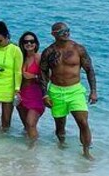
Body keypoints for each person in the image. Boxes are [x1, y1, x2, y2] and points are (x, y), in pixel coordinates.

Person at [40, 22, 97, 159]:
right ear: (53, 34)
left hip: (75, 91)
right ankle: (61, 146)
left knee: (83, 122)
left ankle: (86, 152)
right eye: (61, 31)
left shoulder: (78, 49)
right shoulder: (49, 52)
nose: (65, 33)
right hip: (56, 91)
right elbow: (42, 73)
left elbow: (89, 70)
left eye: (67, 30)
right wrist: (45, 95)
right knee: (60, 125)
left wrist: (93, 91)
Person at [0, 21, 23, 132]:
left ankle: (4, 146)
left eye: (0, 40)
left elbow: (18, 72)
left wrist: (17, 90)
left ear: (7, 37)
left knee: (6, 120)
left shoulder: (15, 50)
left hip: (8, 86)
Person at [17, 32, 45, 144]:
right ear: (22, 44)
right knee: (26, 126)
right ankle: (26, 153)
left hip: (36, 95)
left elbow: (49, 76)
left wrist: (34, 76)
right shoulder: (20, 57)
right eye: (26, 42)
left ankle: (33, 149)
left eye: (32, 41)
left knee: (30, 123)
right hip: (21, 95)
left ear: (36, 43)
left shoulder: (39, 57)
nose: (29, 43)